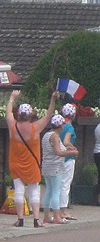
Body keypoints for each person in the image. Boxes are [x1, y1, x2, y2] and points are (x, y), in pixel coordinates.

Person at [6, 90, 59, 228]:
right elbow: (49, 115)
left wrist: (12, 97)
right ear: (30, 115)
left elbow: (8, 113)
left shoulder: (13, 127)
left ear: (19, 114)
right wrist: (53, 99)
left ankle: (20, 219)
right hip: (32, 164)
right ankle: (36, 220)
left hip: (16, 164)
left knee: (19, 190)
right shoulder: (36, 127)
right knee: (34, 191)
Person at [42, 115, 79, 224]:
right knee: (56, 192)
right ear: (59, 125)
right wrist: (72, 152)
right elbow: (58, 152)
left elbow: (54, 149)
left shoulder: (46, 135)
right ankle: (57, 216)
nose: (64, 125)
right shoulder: (55, 136)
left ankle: (47, 216)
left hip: (46, 166)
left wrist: (66, 148)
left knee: (48, 191)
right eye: (63, 123)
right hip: (55, 167)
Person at [58, 103, 78, 221]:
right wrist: (73, 148)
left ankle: (57, 209)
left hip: (58, 157)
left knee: (58, 184)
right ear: (73, 115)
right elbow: (66, 141)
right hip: (68, 158)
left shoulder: (60, 125)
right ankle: (63, 211)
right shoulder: (69, 127)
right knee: (65, 184)